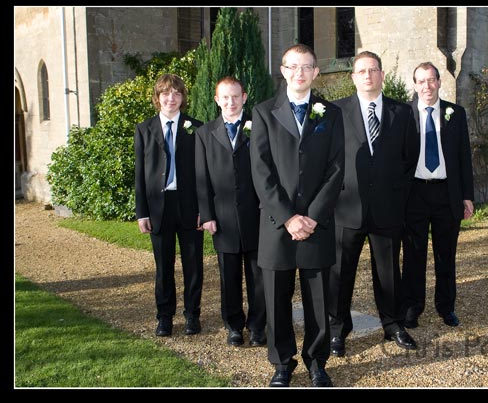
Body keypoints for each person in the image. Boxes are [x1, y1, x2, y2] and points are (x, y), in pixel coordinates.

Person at [249, 43, 344, 387]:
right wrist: (289, 217)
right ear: (283, 70)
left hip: (318, 223)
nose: (299, 73)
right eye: (292, 66)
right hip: (277, 224)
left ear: (316, 72)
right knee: (276, 298)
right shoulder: (263, 113)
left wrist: (313, 216)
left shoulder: (331, 114)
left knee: (318, 298)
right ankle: (281, 363)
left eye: (306, 67)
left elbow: (337, 169)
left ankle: (317, 362)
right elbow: (261, 171)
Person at [328, 51, 419, 358]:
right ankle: (337, 329)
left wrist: (396, 195)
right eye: (362, 71)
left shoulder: (402, 112)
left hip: (387, 209)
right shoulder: (336, 111)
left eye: (373, 70)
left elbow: (410, 158)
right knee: (340, 273)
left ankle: (393, 324)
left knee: (389, 272)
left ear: (382, 75)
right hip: (346, 207)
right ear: (353, 77)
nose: (367, 75)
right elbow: (329, 159)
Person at [401, 62, 474, 329]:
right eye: (421, 81)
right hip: (415, 194)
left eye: (431, 80)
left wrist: (467, 196)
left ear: (439, 82)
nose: (427, 86)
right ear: (415, 85)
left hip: (447, 193)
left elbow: (464, 156)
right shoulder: (404, 114)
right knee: (413, 254)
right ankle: (412, 308)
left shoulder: (456, 113)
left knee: (446, 254)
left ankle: (446, 307)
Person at [195, 76, 266, 347]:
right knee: (229, 276)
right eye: (225, 97)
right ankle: (234, 325)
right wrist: (207, 215)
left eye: (235, 96)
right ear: (217, 100)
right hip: (223, 217)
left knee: (258, 276)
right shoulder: (205, 133)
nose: (231, 102)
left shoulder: (259, 127)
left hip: (256, 214)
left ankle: (258, 326)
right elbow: (201, 178)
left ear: (244, 97)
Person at [134, 73, 204, 337]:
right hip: (158, 208)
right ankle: (164, 317)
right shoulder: (144, 129)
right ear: (157, 97)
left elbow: (203, 173)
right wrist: (142, 212)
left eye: (176, 93)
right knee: (163, 267)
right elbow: (140, 174)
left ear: (183, 97)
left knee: (193, 266)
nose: (171, 98)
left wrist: (204, 210)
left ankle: (192, 315)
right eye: (165, 93)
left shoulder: (196, 128)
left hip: (189, 207)